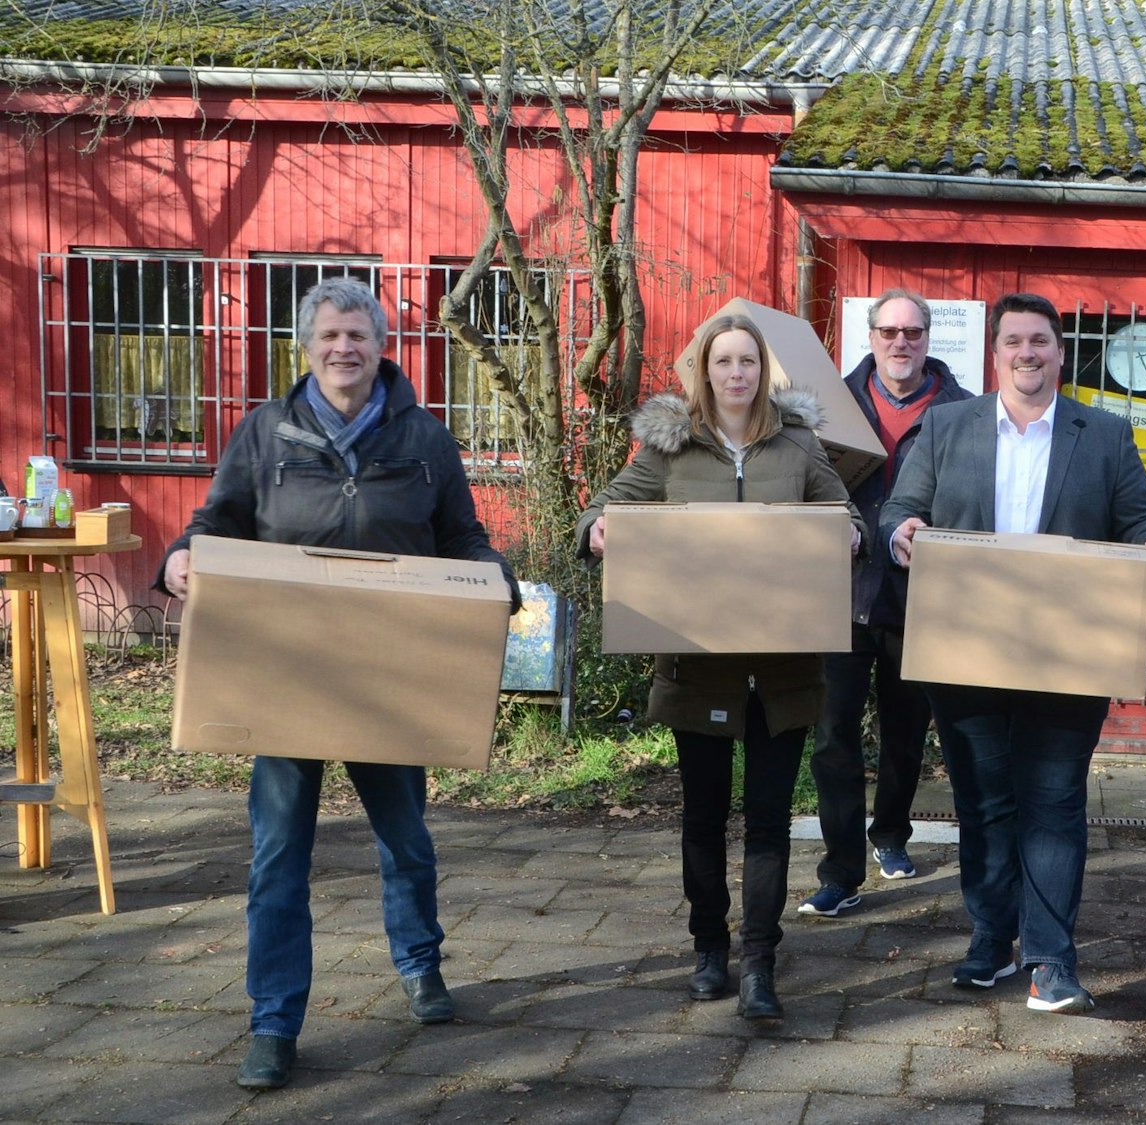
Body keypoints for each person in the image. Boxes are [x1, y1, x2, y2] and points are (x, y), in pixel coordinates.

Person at [157, 277, 516, 1090]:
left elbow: (463, 536)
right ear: (306, 345)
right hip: (287, 672)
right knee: (278, 853)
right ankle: (273, 1020)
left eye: (358, 335)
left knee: (405, 837)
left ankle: (420, 962)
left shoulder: (424, 437)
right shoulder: (265, 431)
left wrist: (494, 578)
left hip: (391, 674)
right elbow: (218, 521)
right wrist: (180, 555)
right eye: (329, 336)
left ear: (382, 345)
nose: (343, 348)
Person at [881, 292, 1146, 1014]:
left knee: (1054, 803)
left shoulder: (1103, 434)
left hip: (1067, 654)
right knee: (983, 803)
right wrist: (903, 532)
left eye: (1039, 340)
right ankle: (991, 939)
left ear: (1060, 353)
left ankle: (1050, 959)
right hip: (965, 647)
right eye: (1013, 341)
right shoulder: (948, 425)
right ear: (995, 354)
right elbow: (900, 508)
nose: (1026, 353)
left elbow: (1144, 517)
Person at [577, 313, 864, 1024]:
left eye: (748, 361)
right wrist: (598, 529)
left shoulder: (798, 444)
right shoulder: (669, 448)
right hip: (696, 666)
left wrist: (850, 537)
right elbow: (602, 508)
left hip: (784, 670)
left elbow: (846, 513)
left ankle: (760, 960)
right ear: (703, 371)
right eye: (723, 361)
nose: (737, 373)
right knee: (702, 818)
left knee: (768, 821)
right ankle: (709, 948)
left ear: (765, 371)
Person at [798, 289, 975, 919]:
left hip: (918, 600)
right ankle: (840, 870)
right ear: (870, 337)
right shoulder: (828, 406)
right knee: (833, 738)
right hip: (841, 596)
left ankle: (891, 834)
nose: (901, 342)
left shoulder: (963, 411)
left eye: (913, 332)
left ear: (928, 339)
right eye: (889, 331)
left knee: (905, 734)